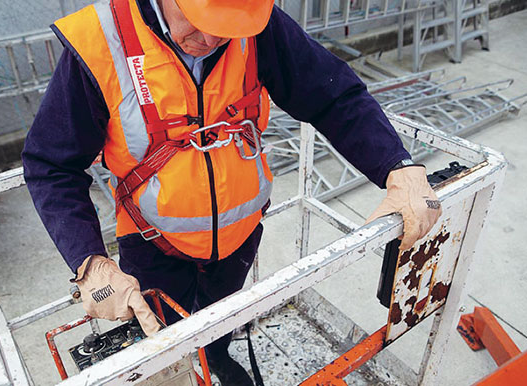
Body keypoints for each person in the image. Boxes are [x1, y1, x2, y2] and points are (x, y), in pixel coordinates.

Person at [22, 0, 441, 384]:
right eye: (202, 23)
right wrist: (89, 261)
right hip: (153, 246)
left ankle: (217, 357)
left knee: (220, 319)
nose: (211, 41)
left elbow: (333, 96)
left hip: (240, 236)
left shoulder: (253, 21)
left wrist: (398, 167)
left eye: (226, 28)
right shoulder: (101, 41)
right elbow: (51, 164)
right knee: (165, 349)